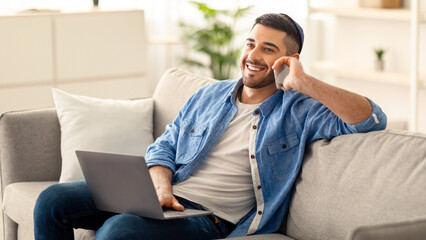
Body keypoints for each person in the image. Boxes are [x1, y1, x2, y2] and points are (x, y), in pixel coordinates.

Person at [34, 13, 386, 240]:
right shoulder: (210, 95)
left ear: (289, 59)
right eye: (251, 43)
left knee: (119, 231)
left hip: (210, 217)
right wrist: (160, 187)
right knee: (52, 200)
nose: (252, 55)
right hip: (166, 197)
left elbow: (371, 119)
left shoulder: (301, 110)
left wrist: (305, 82)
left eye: (267, 48)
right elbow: (165, 146)